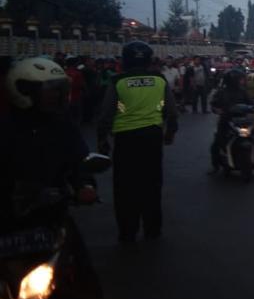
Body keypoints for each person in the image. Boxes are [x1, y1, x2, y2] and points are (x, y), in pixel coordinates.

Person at [97, 41, 178, 243]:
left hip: (125, 140)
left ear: (125, 60)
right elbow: (171, 111)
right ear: (149, 59)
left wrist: (102, 140)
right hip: (152, 137)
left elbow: (106, 115)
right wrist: (170, 133)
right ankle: (152, 229)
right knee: (152, 184)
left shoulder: (118, 81)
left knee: (125, 187)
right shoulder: (159, 80)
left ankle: (128, 231)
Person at [1, 57, 97, 223]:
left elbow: (79, 157)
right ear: (25, 90)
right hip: (9, 215)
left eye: (59, 90)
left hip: (54, 210)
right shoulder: (7, 128)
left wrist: (85, 185)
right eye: (50, 90)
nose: (56, 95)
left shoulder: (63, 125)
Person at [209, 68, 254, 172]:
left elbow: (250, 103)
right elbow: (213, 104)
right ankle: (215, 166)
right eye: (240, 79)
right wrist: (218, 110)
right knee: (217, 143)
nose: (242, 81)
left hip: (243, 120)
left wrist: (253, 107)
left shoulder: (242, 91)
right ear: (233, 80)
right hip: (227, 120)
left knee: (253, 138)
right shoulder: (221, 92)